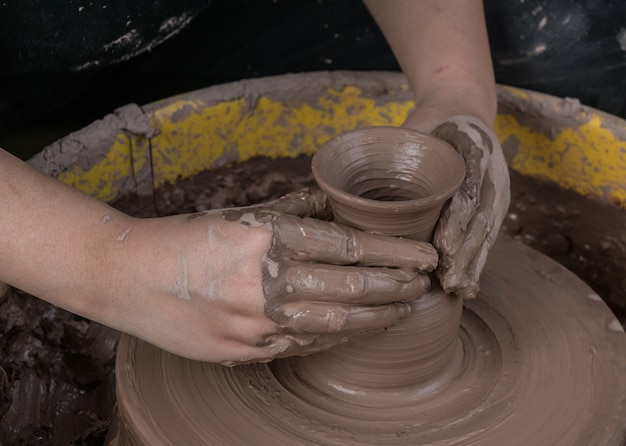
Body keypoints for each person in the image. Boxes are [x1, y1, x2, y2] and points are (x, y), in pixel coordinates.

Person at [0, 0, 510, 365]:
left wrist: (458, 91)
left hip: (197, 22)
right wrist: (113, 263)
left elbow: (458, 79)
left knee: (556, 46)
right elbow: (110, 262)